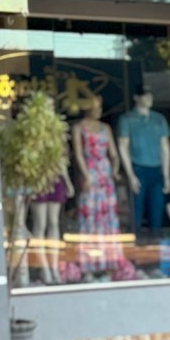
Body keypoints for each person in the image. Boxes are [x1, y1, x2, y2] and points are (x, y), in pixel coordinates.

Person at [71, 95, 122, 280]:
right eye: (96, 107)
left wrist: (114, 171)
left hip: (104, 173)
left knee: (107, 217)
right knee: (89, 216)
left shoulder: (105, 128)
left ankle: (108, 264)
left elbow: (114, 154)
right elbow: (78, 155)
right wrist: (86, 176)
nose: (99, 110)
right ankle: (89, 266)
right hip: (90, 171)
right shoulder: (79, 127)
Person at [117, 88, 170, 238]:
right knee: (136, 212)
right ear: (136, 97)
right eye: (145, 96)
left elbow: (165, 148)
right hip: (138, 168)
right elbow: (123, 147)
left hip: (156, 169)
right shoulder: (127, 118)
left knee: (157, 211)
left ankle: (155, 249)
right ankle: (134, 250)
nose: (149, 98)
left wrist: (166, 175)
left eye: (150, 95)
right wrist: (130, 175)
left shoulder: (159, 119)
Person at [29, 111, 74, 286]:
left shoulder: (57, 135)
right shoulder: (32, 134)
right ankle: (44, 267)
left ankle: (54, 266)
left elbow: (61, 160)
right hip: (39, 179)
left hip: (56, 178)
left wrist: (68, 182)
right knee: (40, 224)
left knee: (54, 223)